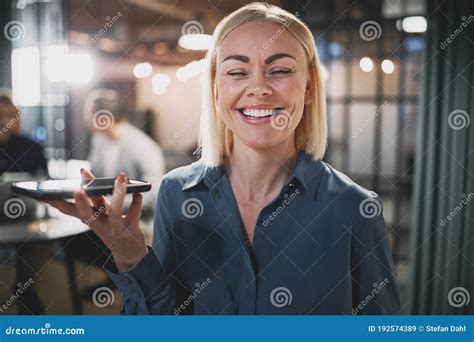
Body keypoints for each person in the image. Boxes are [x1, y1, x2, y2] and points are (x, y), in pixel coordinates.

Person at [46, 3, 400, 315]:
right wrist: (130, 254)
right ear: (216, 89)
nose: (258, 88)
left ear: (308, 88)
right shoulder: (177, 194)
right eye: (236, 71)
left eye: (280, 70)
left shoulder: (353, 208)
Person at [0, 93, 47, 176]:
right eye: (1, 116)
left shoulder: (33, 148)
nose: (4, 121)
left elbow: (43, 176)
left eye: (10, 116)